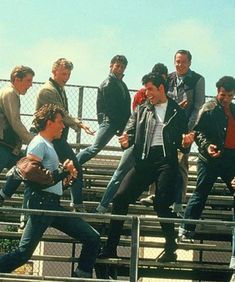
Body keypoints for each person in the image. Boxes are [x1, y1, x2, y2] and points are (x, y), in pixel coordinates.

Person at [99, 73, 192, 267]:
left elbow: (184, 139)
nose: (147, 93)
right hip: (144, 160)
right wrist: (126, 140)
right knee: (120, 198)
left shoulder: (176, 110)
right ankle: (110, 247)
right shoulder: (142, 109)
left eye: (150, 89)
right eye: (146, 89)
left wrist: (185, 143)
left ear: (161, 88)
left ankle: (170, 249)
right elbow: (130, 132)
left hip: (166, 160)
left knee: (161, 204)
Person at [0, 104, 100, 278]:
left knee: (93, 237)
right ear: (49, 123)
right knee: (23, 254)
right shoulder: (38, 143)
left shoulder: (48, 144)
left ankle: (80, 276)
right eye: (60, 122)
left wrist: (67, 177)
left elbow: (48, 179)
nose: (63, 126)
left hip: (51, 204)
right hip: (41, 204)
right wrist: (63, 171)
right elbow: (31, 173)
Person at [95, 63, 168, 214]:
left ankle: (160, 200)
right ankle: (102, 206)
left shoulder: (168, 101)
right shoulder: (142, 95)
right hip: (138, 143)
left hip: (153, 150)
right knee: (120, 173)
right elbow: (135, 117)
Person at [141, 50, 205, 211]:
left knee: (181, 163)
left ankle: (178, 201)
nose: (180, 65)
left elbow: (198, 107)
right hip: (165, 128)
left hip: (185, 129)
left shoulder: (197, 79)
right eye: (177, 61)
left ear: (189, 63)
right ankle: (154, 194)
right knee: (159, 160)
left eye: (183, 62)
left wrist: (187, 129)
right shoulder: (167, 78)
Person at [178, 76, 235, 245]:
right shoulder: (208, 108)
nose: (225, 99)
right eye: (223, 95)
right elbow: (198, 132)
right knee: (201, 193)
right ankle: (186, 231)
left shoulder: (234, 110)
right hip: (209, 158)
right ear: (218, 91)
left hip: (230, 159)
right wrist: (208, 146)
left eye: (230, 96)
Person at [35, 58, 95, 212]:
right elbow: (62, 114)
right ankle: (77, 205)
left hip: (55, 138)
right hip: (48, 138)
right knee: (39, 174)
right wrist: (80, 124)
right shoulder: (48, 90)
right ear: (54, 72)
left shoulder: (59, 88)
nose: (66, 77)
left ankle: (75, 204)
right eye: (63, 74)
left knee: (47, 175)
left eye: (68, 74)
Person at [76, 55, 131, 166]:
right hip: (110, 122)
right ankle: (72, 164)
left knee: (130, 148)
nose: (120, 69)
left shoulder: (121, 84)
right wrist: (122, 127)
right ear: (111, 66)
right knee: (94, 148)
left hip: (118, 122)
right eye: (117, 66)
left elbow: (125, 107)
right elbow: (111, 109)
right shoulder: (108, 84)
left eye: (122, 67)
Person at [0, 66, 35, 203]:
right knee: (24, 169)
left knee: (24, 169)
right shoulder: (10, 93)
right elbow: (15, 122)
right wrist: (33, 140)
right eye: (28, 81)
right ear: (16, 79)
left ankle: (2, 196)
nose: (30, 85)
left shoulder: (8, 92)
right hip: (3, 146)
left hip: (8, 147)